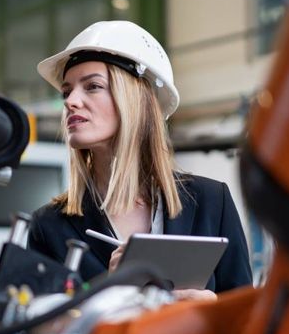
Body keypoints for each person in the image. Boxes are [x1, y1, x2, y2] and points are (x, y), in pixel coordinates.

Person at [27, 20, 252, 299]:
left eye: (92, 86)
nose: (70, 101)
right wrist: (107, 295)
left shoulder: (211, 202)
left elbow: (248, 319)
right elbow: (39, 332)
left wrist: (210, 308)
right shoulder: (49, 226)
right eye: (66, 91)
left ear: (135, 100)